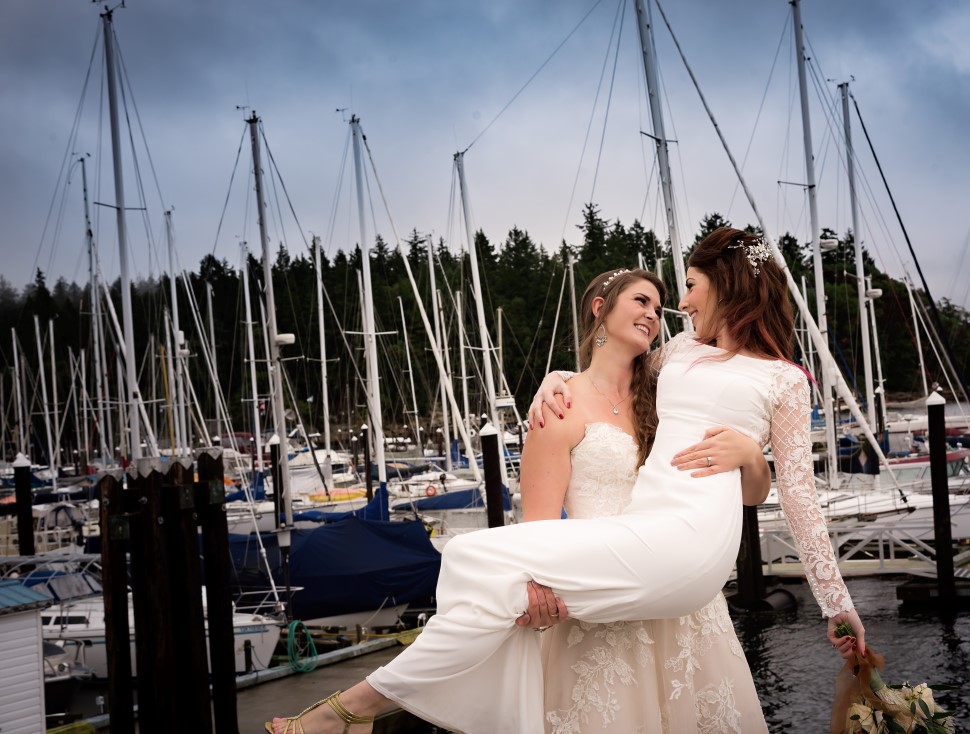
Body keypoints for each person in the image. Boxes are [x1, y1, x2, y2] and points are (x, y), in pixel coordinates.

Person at [267, 227, 865, 734]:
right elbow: (607, 363)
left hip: (693, 542)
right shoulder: (679, 354)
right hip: (647, 533)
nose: (680, 302)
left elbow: (800, 502)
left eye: (688, 284)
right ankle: (357, 712)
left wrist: (836, 604)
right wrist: (553, 377)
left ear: (728, 281)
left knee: (475, 558)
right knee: (475, 563)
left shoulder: (785, 380)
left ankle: (344, 713)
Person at [522, 267, 771, 732]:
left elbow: (750, 495)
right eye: (641, 302)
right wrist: (538, 596)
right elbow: (537, 527)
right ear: (600, 308)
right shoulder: (559, 406)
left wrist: (753, 455)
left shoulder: (669, 396)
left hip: (680, 597)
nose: (653, 315)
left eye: (658, 309)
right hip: (599, 601)